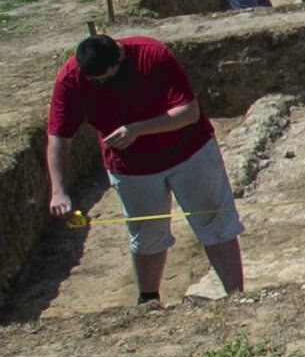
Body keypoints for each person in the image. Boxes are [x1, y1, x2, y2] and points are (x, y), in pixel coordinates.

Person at [42, 28, 244, 302]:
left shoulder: (153, 55)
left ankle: (236, 297)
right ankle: (148, 301)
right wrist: (59, 189)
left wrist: (137, 129)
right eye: (95, 81)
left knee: (215, 223)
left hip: (190, 153)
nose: (102, 85)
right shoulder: (71, 79)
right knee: (147, 235)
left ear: (120, 58)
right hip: (132, 168)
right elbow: (58, 137)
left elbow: (189, 112)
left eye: (107, 78)